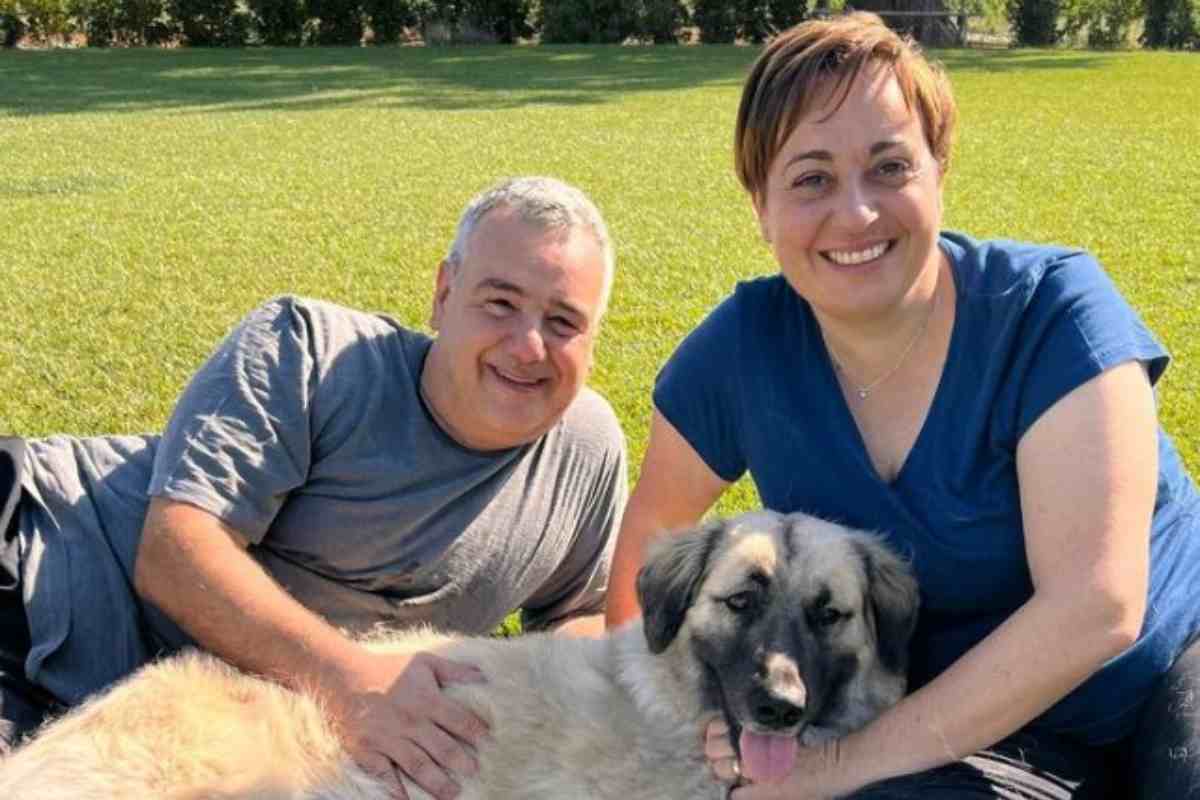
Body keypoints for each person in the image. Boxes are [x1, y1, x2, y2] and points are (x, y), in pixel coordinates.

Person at [604, 13, 1200, 800]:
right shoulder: (743, 350)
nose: (856, 214)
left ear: (939, 170)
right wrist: (680, 717)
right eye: (811, 178)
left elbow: (1097, 608)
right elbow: (647, 549)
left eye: (889, 167)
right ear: (761, 207)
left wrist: (842, 767)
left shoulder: (1054, 311)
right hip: (956, 733)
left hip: (1169, 680)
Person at [0, 175, 629, 800]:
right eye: (500, 303)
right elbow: (175, 548)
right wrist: (351, 682)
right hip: (35, 566)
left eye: (564, 322)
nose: (528, 346)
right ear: (443, 294)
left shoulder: (586, 449)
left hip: (175, 717)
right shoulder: (308, 350)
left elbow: (583, 612)